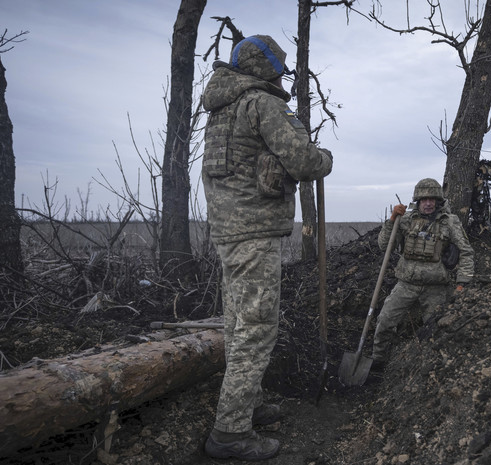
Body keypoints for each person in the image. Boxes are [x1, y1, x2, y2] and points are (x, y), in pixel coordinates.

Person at [201, 34, 333, 461]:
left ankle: (249, 404)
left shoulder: (223, 107)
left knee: (239, 324)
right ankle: (230, 433)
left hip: (228, 232)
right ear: (267, 67)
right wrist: (324, 157)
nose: (282, 75)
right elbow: (305, 161)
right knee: (256, 330)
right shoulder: (262, 103)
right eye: (279, 66)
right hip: (255, 234)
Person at [370, 178, 474, 369]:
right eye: (424, 199)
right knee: (385, 320)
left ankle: (429, 366)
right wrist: (392, 220)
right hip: (406, 284)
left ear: (438, 201)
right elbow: (384, 245)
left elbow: (466, 252)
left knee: (435, 328)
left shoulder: (449, 222)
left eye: (432, 199)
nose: (428, 203)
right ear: (417, 201)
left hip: (436, 288)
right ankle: (378, 362)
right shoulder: (406, 220)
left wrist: (462, 283)